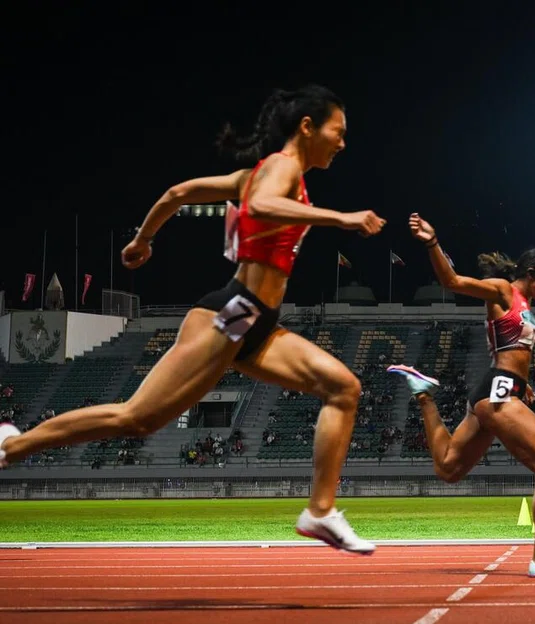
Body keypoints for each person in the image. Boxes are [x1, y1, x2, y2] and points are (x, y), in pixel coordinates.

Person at [0, 85, 384, 555]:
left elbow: (178, 193)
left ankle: (320, 512)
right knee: (136, 418)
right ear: (308, 127)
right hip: (231, 312)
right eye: (337, 131)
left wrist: (144, 240)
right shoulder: (280, 169)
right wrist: (341, 218)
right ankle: (10, 446)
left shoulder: (259, 174)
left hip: (258, 321)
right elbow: (261, 206)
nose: (343, 143)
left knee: (343, 388)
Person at [387, 213, 535, 578]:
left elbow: (514, 354)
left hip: (496, 392)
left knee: (448, 468)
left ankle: (424, 395)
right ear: (531, 273)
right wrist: (432, 242)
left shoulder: (525, 307)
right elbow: (452, 280)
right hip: (498, 392)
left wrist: (523, 385)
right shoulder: (503, 291)